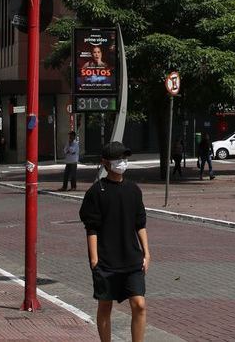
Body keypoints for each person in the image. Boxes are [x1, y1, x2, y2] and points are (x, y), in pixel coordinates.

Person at [79, 141, 150, 342]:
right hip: (106, 261)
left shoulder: (134, 190)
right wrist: (94, 260)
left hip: (132, 259)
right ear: (105, 163)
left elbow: (140, 224)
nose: (122, 162)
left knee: (139, 305)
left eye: (125, 158)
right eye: (118, 159)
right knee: (105, 306)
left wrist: (147, 253)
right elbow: (91, 228)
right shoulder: (96, 192)